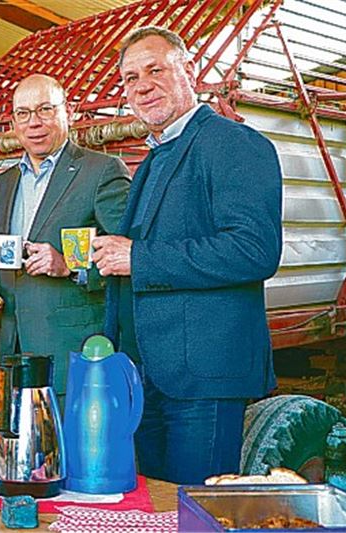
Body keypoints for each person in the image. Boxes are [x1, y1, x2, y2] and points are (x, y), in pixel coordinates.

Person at [92, 26, 282, 484]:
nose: (142, 85)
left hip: (204, 379)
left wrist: (140, 259)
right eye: (131, 78)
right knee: (158, 510)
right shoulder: (156, 157)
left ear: (189, 69)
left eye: (155, 69)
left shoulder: (233, 143)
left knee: (198, 512)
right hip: (148, 377)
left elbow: (254, 250)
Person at [0, 74, 130, 395]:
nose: (34, 123)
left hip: (72, 349)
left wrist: (68, 265)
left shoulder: (101, 171)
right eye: (23, 113)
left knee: (71, 444)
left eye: (45, 109)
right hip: (14, 348)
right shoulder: (5, 182)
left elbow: (130, 255)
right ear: (14, 121)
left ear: (66, 112)